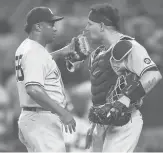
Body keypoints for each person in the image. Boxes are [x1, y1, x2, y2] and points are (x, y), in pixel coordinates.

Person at [66, 3, 162, 152]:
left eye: (90, 24)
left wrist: (124, 100)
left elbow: (153, 75)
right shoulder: (98, 53)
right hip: (100, 124)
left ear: (102, 26)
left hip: (123, 122)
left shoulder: (127, 46)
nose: (86, 28)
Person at [15, 7, 76, 152]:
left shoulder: (27, 47)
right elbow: (33, 89)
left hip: (34, 117)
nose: (55, 29)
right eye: (51, 24)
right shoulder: (34, 51)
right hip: (41, 119)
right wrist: (62, 112)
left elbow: (41, 62)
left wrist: (61, 52)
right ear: (38, 26)